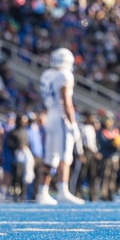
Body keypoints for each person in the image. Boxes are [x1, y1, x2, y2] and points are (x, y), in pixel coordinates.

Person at [38, 48, 85, 205]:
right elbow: (66, 101)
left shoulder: (46, 74)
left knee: (50, 157)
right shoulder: (64, 75)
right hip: (60, 118)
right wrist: (73, 124)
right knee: (65, 157)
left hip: (50, 115)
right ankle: (63, 191)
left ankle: (42, 192)